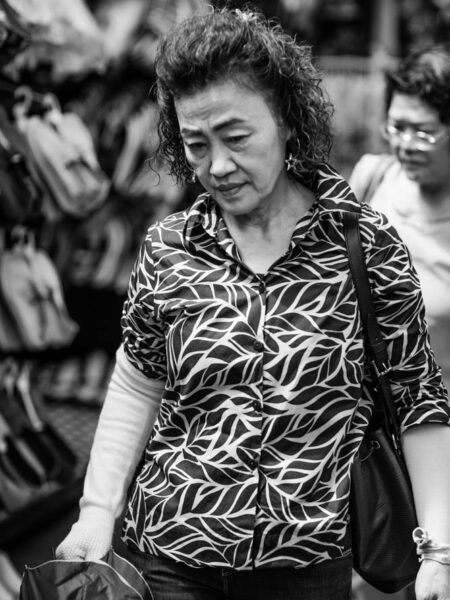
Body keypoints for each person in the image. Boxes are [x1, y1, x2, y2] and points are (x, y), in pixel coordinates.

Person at [56, 8, 450, 600]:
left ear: (288, 121)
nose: (216, 166)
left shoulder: (363, 245)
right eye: (195, 144)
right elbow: (137, 383)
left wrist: (439, 551)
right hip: (167, 556)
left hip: (307, 567)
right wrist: (96, 511)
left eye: (237, 138)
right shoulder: (169, 249)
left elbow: (416, 396)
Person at [349, 44, 450, 393]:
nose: (405, 144)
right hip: (365, 414)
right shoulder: (370, 179)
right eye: (397, 127)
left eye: (423, 132)